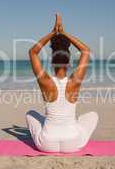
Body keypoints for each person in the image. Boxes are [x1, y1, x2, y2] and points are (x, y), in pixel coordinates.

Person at [26, 13, 98, 153]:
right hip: (73, 143)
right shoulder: (74, 81)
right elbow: (85, 51)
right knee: (93, 115)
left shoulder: (45, 81)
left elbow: (33, 52)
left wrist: (52, 33)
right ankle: (73, 125)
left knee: (30, 113)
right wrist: (64, 33)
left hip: (46, 144)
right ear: (70, 61)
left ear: (52, 60)